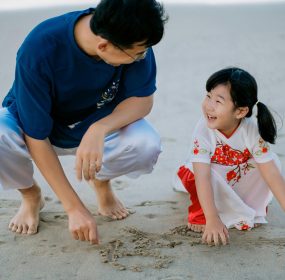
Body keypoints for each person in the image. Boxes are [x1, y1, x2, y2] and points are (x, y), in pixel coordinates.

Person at [0, 0, 167, 244]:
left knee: (146, 144)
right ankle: (30, 195)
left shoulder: (133, 37)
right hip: (36, 129)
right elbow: (35, 135)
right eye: (138, 53)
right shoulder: (39, 48)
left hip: (95, 127)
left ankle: (101, 184)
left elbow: (142, 101)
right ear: (103, 46)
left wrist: (99, 128)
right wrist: (74, 208)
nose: (142, 57)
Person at [175, 67, 285, 246]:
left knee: (269, 164)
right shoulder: (203, 128)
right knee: (200, 175)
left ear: (240, 112)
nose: (209, 105)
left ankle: (251, 207)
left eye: (218, 101)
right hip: (202, 175)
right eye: (208, 96)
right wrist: (212, 219)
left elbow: (271, 175)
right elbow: (202, 177)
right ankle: (201, 212)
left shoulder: (251, 129)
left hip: (234, 173)